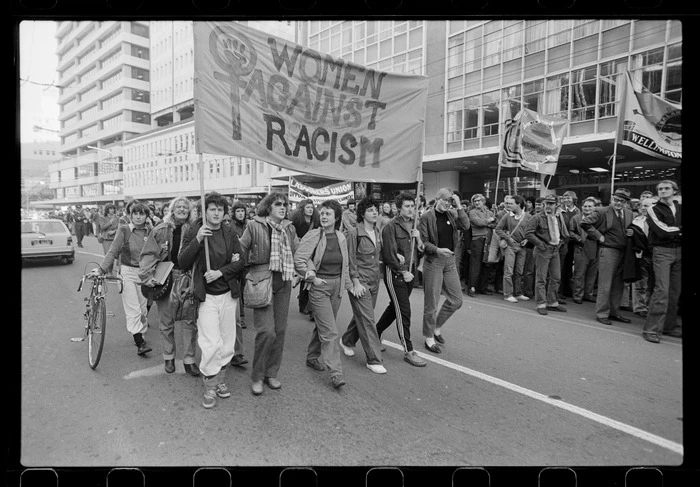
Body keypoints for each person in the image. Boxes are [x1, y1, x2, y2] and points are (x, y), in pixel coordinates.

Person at [178, 192, 243, 409]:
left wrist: (220, 273)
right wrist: (197, 241)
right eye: (212, 209)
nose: (216, 213)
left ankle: (220, 380)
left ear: (225, 213)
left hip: (227, 294)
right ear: (204, 211)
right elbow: (183, 262)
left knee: (226, 340)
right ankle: (210, 384)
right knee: (211, 342)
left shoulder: (230, 232)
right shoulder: (194, 231)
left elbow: (240, 261)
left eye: (220, 209)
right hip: (205, 297)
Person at [238, 192, 299, 395]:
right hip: (262, 280)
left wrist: (305, 271)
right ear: (268, 208)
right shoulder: (254, 226)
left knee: (280, 331)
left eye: (285, 204)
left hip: (284, 280)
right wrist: (246, 271)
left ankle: (271, 373)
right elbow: (240, 250)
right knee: (266, 331)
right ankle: (257, 376)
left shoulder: (289, 228)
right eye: (278, 204)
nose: (283, 207)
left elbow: (298, 253)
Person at [139, 196, 200, 376]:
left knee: (190, 322)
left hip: (188, 278)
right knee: (166, 322)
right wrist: (147, 276)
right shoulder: (160, 230)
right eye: (178, 206)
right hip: (166, 278)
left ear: (190, 211)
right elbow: (148, 254)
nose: (181, 209)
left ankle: (189, 360)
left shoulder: (196, 229)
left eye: (185, 207)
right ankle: (169, 358)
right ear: (172, 210)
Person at [295, 199, 352, 389]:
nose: (324, 216)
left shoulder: (341, 237)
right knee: (330, 332)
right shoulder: (314, 235)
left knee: (324, 327)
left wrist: (347, 285)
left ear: (336, 217)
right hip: (319, 286)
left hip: (337, 287)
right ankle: (336, 373)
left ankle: (312, 357)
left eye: (329, 214)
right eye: (323, 213)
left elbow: (346, 264)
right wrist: (311, 277)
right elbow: (299, 260)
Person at [90, 202, 154, 355]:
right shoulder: (124, 230)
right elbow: (112, 251)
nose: (138, 217)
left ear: (146, 216)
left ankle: (140, 333)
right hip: (127, 273)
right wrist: (101, 269)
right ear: (130, 215)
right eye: (135, 213)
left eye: (142, 214)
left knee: (143, 309)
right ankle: (140, 342)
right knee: (133, 309)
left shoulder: (151, 231)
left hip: (145, 273)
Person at [375, 192, 426, 367]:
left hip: (410, 272)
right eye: (407, 206)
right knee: (404, 310)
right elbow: (389, 254)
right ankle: (408, 350)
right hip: (396, 273)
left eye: (412, 206)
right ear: (399, 208)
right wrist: (403, 271)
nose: (411, 209)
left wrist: (419, 238)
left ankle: (375, 332)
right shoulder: (391, 226)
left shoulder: (415, 224)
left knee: (394, 307)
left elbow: (421, 249)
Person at [417, 188, 468, 354]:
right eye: (445, 200)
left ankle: (437, 326)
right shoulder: (426, 217)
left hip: (450, 261)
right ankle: (429, 337)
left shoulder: (452, 214)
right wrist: (438, 250)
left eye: (450, 201)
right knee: (431, 302)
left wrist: (459, 205)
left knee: (456, 300)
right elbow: (423, 242)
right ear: (437, 198)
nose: (447, 204)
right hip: (434, 261)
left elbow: (465, 225)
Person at [339, 197, 386, 374]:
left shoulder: (377, 231)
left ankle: (348, 340)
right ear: (362, 213)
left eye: (376, 209)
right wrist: (355, 283)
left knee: (363, 314)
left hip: (375, 280)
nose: (375, 212)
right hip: (360, 282)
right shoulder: (353, 233)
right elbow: (350, 260)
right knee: (368, 319)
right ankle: (373, 359)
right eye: (370, 210)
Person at [580, 187, 635, 326]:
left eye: (621, 201)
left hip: (623, 252)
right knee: (605, 284)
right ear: (612, 199)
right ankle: (602, 314)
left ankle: (614, 312)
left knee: (618, 285)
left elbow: (632, 228)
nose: (618, 203)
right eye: (616, 200)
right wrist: (599, 236)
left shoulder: (629, 213)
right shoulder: (601, 211)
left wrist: (631, 232)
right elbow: (585, 223)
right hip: (608, 251)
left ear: (626, 202)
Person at [642, 181, 682, 343]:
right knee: (662, 290)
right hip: (662, 252)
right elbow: (661, 230)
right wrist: (679, 231)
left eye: (667, 188)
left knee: (674, 292)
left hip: (678, 251)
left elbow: (668, 230)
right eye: (660, 189)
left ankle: (669, 326)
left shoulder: (679, 208)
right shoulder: (653, 208)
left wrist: (675, 233)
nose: (663, 191)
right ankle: (651, 329)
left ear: (674, 191)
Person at [522, 194, 568, 316]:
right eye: (546, 203)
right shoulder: (537, 217)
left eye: (551, 204)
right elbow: (528, 233)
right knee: (541, 278)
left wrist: (561, 242)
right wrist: (541, 245)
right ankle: (541, 304)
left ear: (556, 205)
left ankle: (552, 302)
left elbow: (562, 232)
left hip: (555, 249)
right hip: (543, 250)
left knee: (556, 277)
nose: (548, 206)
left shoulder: (558, 216)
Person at [495, 195, 531, 304]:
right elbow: (498, 229)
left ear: (518, 204)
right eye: (507, 203)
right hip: (510, 246)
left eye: (511, 203)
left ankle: (518, 293)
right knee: (508, 271)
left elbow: (532, 231)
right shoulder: (507, 216)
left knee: (519, 271)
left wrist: (527, 240)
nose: (508, 205)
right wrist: (508, 238)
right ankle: (508, 294)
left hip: (522, 247)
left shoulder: (528, 216)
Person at [228, 199, 250, 368]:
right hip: (232, 268)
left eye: (243, 211)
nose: (241, 214)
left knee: (243, 292)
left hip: (246, 263)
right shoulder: (230, 228)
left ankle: (237, 352)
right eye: (238, 211)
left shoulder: (249, 225)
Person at [289, 198, 320, 318]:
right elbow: (292, 235)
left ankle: (308, 305)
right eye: (308, 207)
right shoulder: (296, 222)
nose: (310, 209)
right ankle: (303, 304)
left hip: (313, 250)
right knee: (305, 275)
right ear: (302, 209)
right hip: (301, 251)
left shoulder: (316, 221)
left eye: (312, 207)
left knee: (310, 276)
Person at [629, 196, 656, 319]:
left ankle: (650, 307)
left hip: (655, 255)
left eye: (647, 205)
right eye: (642, 206)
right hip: (640, 255)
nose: (643, 208)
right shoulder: (635, 221)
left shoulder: (658, 221)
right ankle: (640, 307)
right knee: (640, 282)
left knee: (653, 283)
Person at [569, 197, 599, 304]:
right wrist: (579, 239)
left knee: (592, 274)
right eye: (585, 206)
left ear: (595, 208)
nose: (587, 208)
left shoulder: (598, 219)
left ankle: (588, 294)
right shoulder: (576, 218)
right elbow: (570, 232)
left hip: (595, 249)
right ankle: (577, 295)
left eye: (590, 206)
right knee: (579, 273)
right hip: (580, 248)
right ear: (582, 207)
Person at [466, 193, 496, 297]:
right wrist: (488, 221)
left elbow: (495, 224)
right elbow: (478, 223)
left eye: (479, 200)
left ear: (483, 201)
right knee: (476, 265)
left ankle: (482, 287)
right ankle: (472, 288)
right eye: (475, 201)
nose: (477, 203)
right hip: (477, 240)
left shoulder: (490, 212)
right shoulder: (472, 212)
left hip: (488, 239)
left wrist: (488, 222)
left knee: (486, 264)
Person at [558, 191, 579, 300]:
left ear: (574, 199)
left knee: (569, 267)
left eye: (569, 198)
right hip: (563, 242)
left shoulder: (578, 211)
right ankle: (560, 290)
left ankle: (567, 288)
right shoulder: (560, 211)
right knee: (561, 266)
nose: (566, 200)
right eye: (564, 198)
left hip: (574, 243)